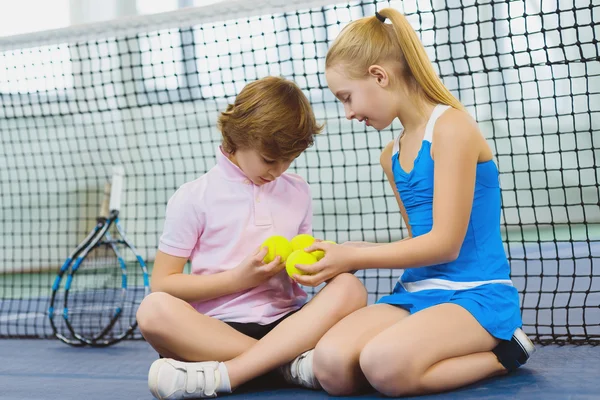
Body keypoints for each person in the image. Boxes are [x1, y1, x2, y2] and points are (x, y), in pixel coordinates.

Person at [289, 8, 536, 397]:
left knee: (383, 365)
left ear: (379, 76)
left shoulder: (453, 128)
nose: (349, 113)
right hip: (418, 291)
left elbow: (444, 244)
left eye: (347, 97)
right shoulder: (391, 155)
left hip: (476, 293)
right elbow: (415, 247)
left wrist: (353, 258)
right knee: (331, 366)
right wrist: (344, 250)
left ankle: (506, 351)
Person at [136, 76, 367, 399]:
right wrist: (237, 279)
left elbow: (302, 273)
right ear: (237, 137)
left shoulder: (297, 189)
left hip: (290, 323)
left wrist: (314, 267)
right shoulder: (193, 198)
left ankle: (244, 368)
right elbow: (163, 283)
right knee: (153, 310)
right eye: (270, 160)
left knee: (350, 288)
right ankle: (286, 366)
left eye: (289, 160)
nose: (278, 170)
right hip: (217, 328)